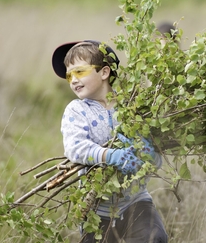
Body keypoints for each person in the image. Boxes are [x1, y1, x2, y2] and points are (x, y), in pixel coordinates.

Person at [51, 40, 168, 243]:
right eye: (69, 75)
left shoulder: (130, 106)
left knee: (154, 238)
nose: (73, 80)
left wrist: (151, 154)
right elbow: (75, 147)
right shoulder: (76, 110)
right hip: (97, 208)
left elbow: (156, 158)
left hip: (136, 200)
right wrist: (111, 155)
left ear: (104, 73)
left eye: (80, 72)